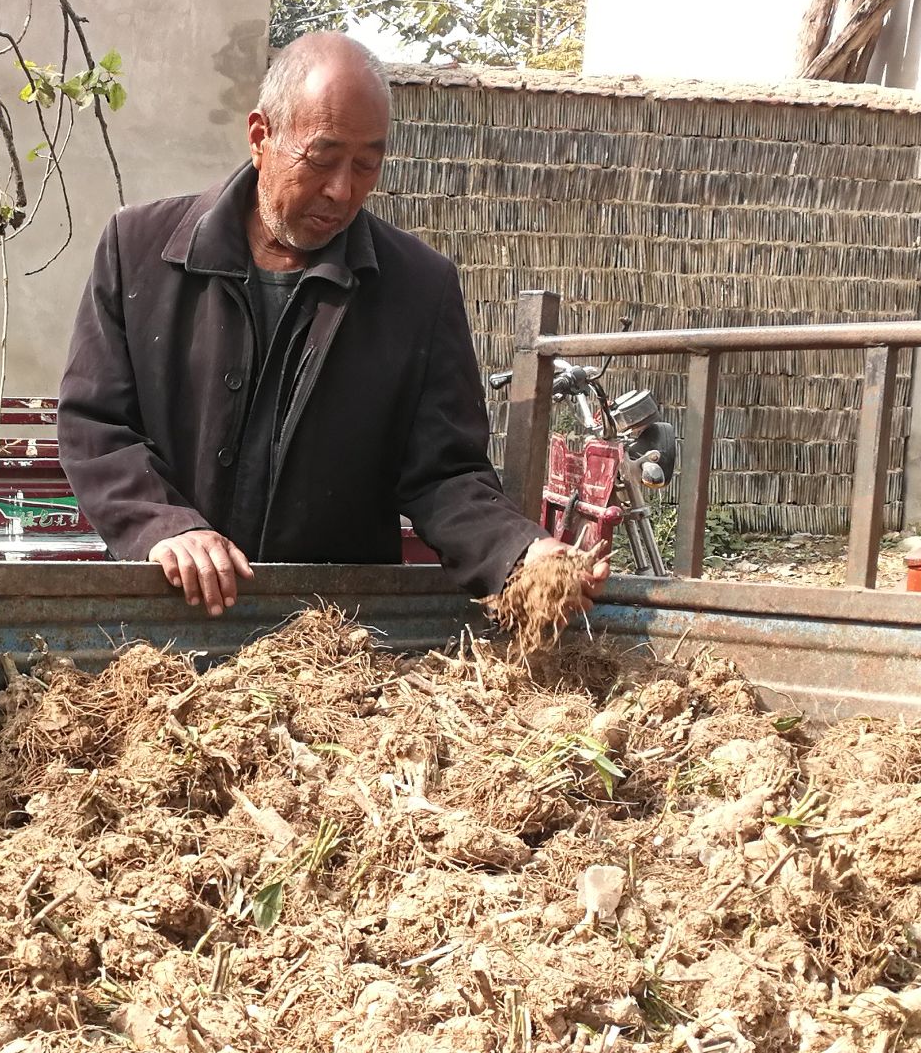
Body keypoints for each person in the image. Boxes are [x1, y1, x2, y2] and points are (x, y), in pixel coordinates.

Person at [58, 31, 607, 615]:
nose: (342, 190)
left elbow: (445, 474)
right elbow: (96, 425)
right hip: (165, 617)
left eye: (366, 164)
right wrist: (163, 525)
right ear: (260, 136)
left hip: (335, 640)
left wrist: (520, 553)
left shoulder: (419, 289)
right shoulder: (139, 249)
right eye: (322, 158)